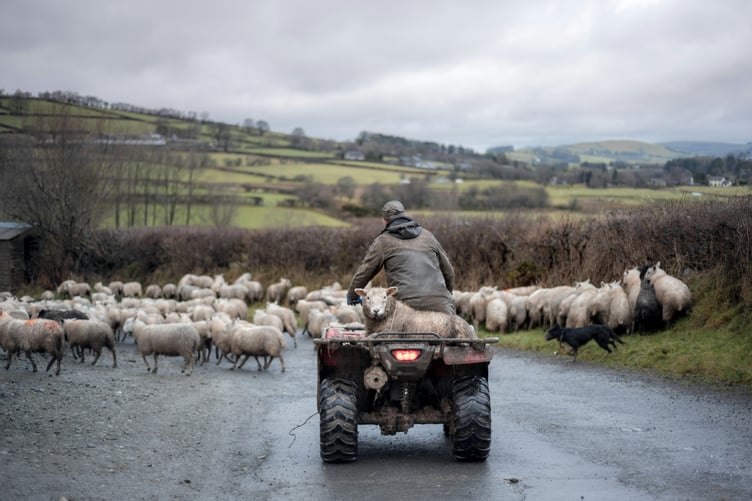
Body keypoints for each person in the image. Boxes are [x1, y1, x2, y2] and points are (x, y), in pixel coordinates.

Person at [346, 200, 456, 315]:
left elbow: (365, 271)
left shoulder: (383, 241)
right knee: (452, 331)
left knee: (390, 329)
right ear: (405, 215)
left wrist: (352, 295)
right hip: (441, 306)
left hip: (405, 308)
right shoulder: (428, 236)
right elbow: (449, 271)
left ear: (383, 221)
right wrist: (447, 294)